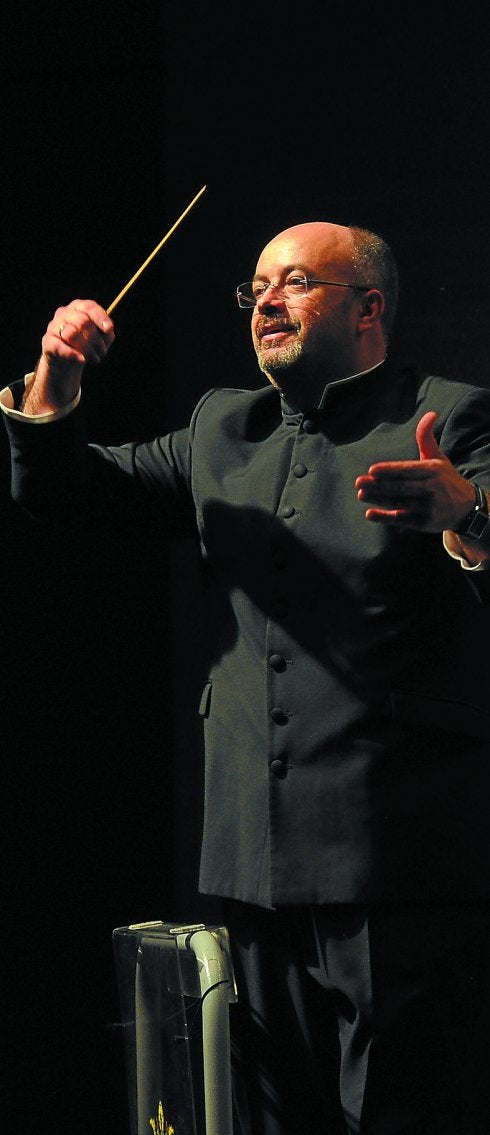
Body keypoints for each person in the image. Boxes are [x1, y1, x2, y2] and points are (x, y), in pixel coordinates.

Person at [2, 220, 490, 1134]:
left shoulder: (452, 415)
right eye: (256, 287)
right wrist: (55, 379)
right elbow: (63, 491)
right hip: (252, 865)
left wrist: (472, 514)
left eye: (295, 282)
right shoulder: (222, 427)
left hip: (397, 870)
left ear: (368, 307)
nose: (266, 301)